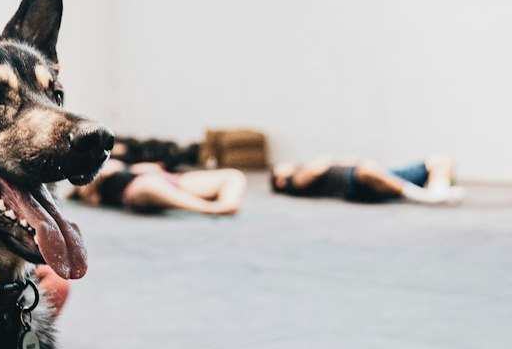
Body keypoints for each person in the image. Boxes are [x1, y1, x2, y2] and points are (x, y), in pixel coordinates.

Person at [68, 158, 246, 216]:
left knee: (233, 175)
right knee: (149, 185)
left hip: (167, 179)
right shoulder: (86, 184)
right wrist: (98, 176)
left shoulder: (116, 162)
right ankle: (211, 208)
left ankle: (227, 202)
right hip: (136, 187)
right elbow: (92, 199)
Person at [270, 154, 464, 205]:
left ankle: (439, 191)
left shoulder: (302, 170)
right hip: (355, 182)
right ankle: (424, 195)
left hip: (380, 173)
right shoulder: (294, 183)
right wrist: (329, 158)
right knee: (366, 170)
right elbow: (317, 168)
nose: (288, 163)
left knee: (441, 160)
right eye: (282, 167)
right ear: (280, 181)